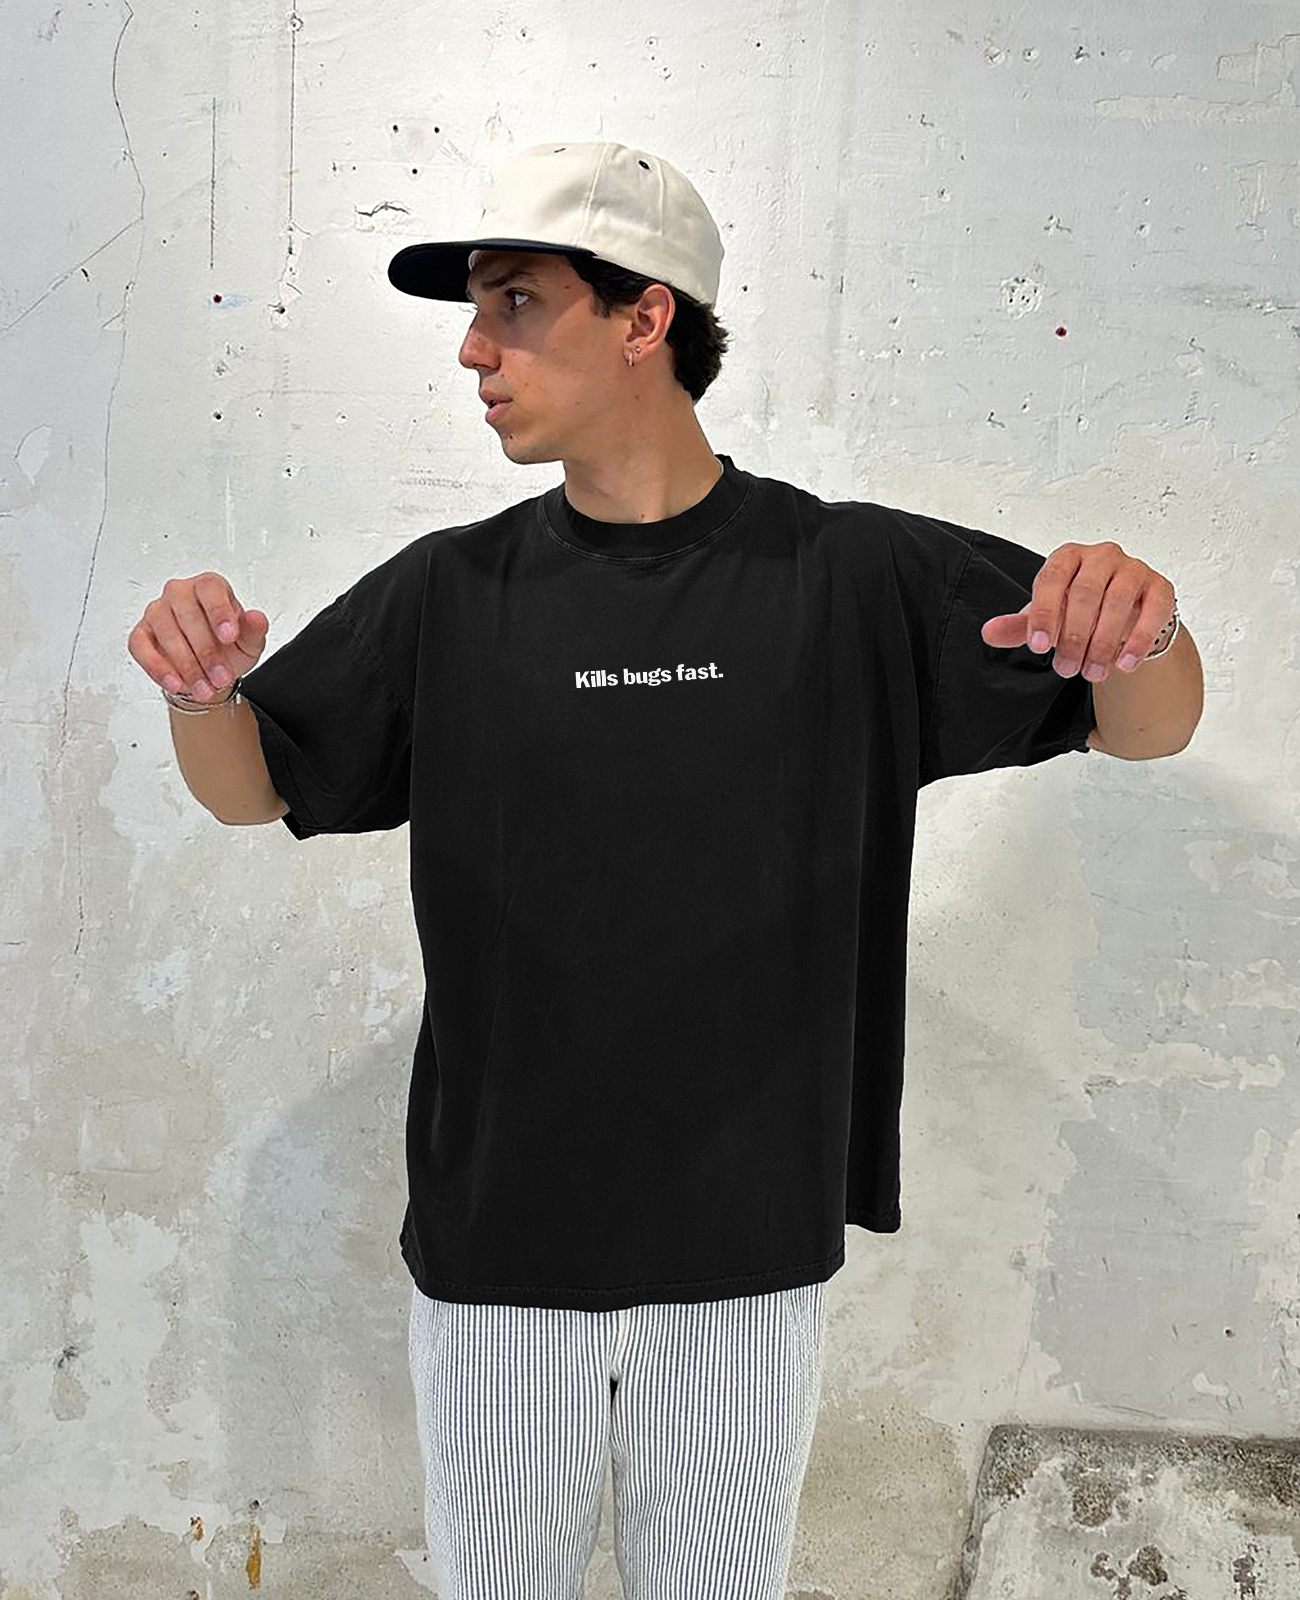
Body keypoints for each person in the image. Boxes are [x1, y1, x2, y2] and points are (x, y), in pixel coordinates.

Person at [127, 141, 1192, 1599]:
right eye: (477, 311)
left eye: (515, 303)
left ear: (646, 319)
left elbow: (1142, 724)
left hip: (746, 1245)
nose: (474, 347)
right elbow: (259, 789)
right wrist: (201, 695)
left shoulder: (850, 577)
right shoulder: (452, 592)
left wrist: (1141, 627)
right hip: (502, 1246)